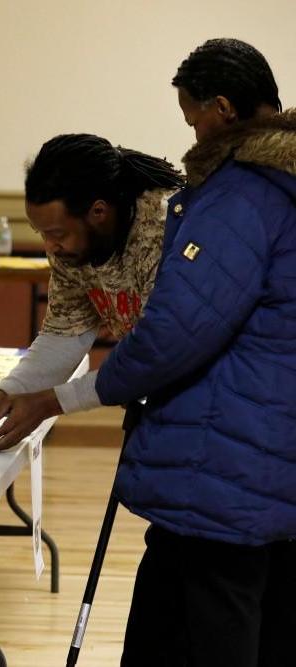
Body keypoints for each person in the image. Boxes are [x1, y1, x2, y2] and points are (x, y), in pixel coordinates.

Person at [92, 39, 296, 666]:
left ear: (225, 108)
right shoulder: (281, 183)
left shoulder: (243, 195)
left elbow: (178, 330)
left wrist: (92, 386)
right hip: (264, 441)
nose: (189, 129)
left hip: (228, 449)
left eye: (192, 114)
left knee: (212, 612)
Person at [0, 134, 183, 450]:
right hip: (166, 401)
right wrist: (1, 399)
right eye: (41, 233)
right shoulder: (73, 245)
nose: (49, 246)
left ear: (98, 212)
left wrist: (49, 403)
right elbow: (64, 335)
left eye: (57, 234)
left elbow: (156, 352)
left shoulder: (166, 228)